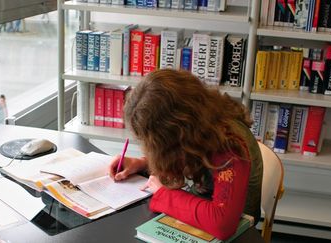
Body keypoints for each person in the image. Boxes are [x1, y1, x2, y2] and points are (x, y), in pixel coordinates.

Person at [108, 69, 263, 240]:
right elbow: (183, 156)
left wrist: (164, 194)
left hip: (239, 231)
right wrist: (143, 163)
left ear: (179, 131)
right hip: (199, 205)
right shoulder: (200, 124)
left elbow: (222, 223)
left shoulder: (229, 145)